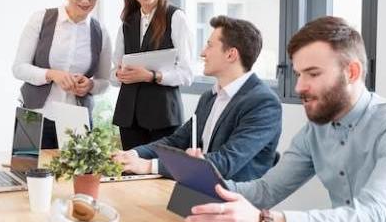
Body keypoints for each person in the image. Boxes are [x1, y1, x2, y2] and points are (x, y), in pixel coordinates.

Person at [185, 16, 386, 222]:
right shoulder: (315, 131)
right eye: (298, 74)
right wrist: (205, 179)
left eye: (313, 73)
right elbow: (266, 190)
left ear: (352, 72)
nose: (299, 87)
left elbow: (371, 220)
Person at [114, 15, 282, 182]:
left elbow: (226, 162)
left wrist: (149, 166)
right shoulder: (209, 97)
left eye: (209, 46)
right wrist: (133, 154)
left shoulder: (263, 103)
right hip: (199, 189)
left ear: (231, 55)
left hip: (234, 201)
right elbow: (176, 141)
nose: (203, 53)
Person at [12, 0, 111, 149]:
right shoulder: (41, 19)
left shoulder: (101, 32)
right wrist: (51, 74)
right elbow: (19, 68)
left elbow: (105, 82)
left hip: (77, 120)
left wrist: (90, 85)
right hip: (35, 114)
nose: (85, 0)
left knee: (76, 177)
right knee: (26, 174)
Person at [111, 0, 194, 150]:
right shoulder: (127, 23)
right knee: (131, 176)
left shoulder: (176, 17)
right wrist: (118, 74)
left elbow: (187, 74)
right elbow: (113, 72)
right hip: (129, 118)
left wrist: (153, 76)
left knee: (162, 176)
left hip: (162, 117)